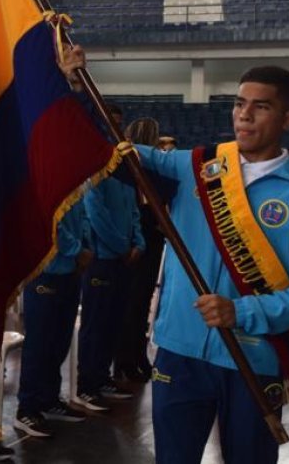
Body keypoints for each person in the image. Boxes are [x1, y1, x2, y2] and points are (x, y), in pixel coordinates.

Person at [62, 53, 289, 464]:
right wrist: (76, 91)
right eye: (239, 104)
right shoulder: (194, 167)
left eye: (261, 106)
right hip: (179, 350)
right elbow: (110, 152)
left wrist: (243, 311)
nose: (244, 116)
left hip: (255, 357)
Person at [73, 137, 145, 412]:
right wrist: (122, 246)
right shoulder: (96, 177)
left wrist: (139, 243)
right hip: (103, 259)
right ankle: (86, 385)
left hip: (124, 260)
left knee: (114, 321)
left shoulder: (125, 177)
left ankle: (102, 378)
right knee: (95, 323)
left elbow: (135, 214)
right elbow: (97, 216)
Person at [14, 200, 92, 438]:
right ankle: (26, 408)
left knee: (59, 342)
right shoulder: (47, 178)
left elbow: (85, 217)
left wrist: (85, 247)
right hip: (46, 272)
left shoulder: (77, 181)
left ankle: (48, 399)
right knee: (39, 344)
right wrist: (78, 250)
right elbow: (48, 223)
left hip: (71, 271)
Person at [114, 117, 166, 383]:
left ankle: (135, 356)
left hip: (148, 239)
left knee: (139, 303)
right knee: (133, 304)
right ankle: (126, 359)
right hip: (138, 240)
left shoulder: (152, 167)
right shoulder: (132, 166)